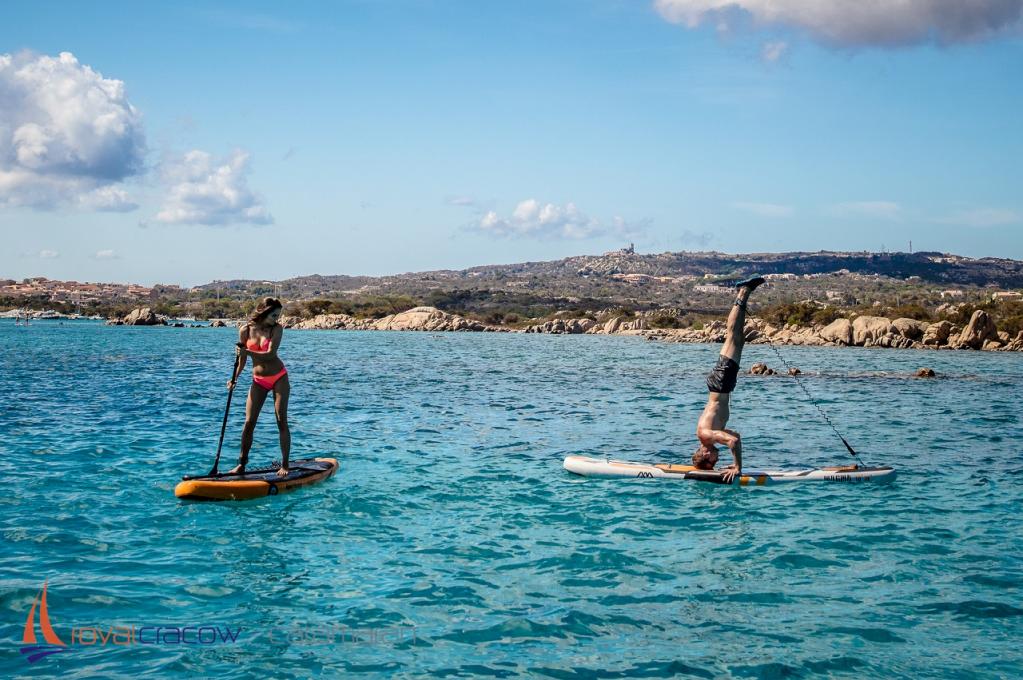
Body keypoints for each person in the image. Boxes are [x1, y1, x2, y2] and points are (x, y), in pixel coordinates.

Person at [693, 276, 765, 483]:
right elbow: (736, 437)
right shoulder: (710, 434)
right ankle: (743, 296)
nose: (716, 460)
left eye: (713, 462)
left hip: (721, 384)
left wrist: (737, 467)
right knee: (737, 339)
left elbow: (732, 442)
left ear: (706, 456)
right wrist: (734, 457)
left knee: (732, 337)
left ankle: (742, 293)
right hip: (721, 385)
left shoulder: (707, 435)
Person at [227, 297, 290, 477]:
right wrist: (234, 379)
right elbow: (243, 359)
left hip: (279, 378)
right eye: (273, 315)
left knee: (281, 421)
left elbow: (270, 354)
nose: (276, 319)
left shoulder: (277, 329)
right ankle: (241, 464)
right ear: (263, 312)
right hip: (258, 380)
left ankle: (285, 465)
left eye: (278, 315)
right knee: (248, 423)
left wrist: (246, 351)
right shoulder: (245, 330)